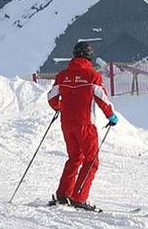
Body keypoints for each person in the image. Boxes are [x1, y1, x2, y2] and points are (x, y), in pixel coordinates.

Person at [48, 40, 118, 211]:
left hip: (67, 124)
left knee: (74, 158)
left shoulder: (62, 75)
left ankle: (63, 195)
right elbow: (102, 98)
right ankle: (79, 197)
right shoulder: (92, 75)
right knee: (91, 160)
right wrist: (111, 115)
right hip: (85, 124)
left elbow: (51, 97)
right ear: (89, 57)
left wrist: (59, 107)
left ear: (73, 55)